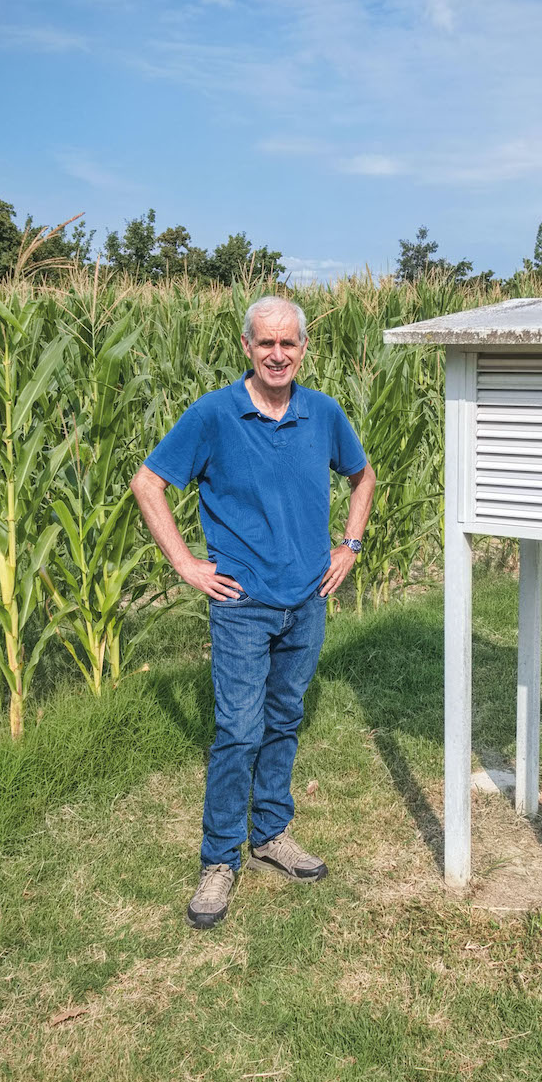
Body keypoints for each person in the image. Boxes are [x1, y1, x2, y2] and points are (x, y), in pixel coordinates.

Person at [131, 295, 375, 929]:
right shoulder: (214, 414)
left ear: (302, 349)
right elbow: (148, 481)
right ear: (247, 346)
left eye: (288, 343)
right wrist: (186, 564)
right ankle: (219, 860)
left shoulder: (322, 412)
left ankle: (270, 833)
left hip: (308, 599)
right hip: (242, 605)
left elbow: (363, 475)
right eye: (265, 343)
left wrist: (349, 545)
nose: (277, 354)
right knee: (238, 731)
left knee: (285, 717)